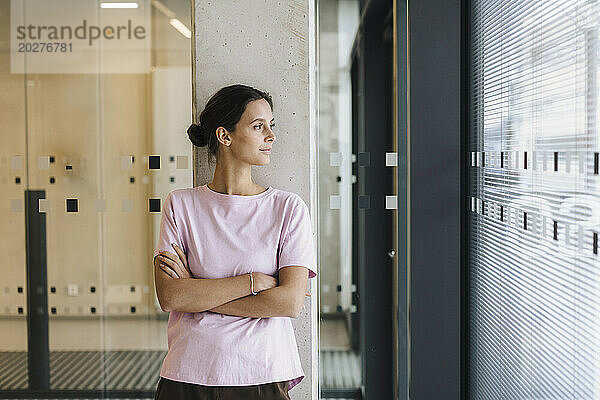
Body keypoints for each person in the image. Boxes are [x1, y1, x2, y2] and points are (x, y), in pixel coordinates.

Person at [152, 84, 318, 400]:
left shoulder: (287, 208)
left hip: (262, 374)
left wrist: (199, 294)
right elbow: (172, 296)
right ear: (225, 136)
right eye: (258, 126)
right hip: (187, 373)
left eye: (272, 126)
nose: (271, 135)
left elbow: (289, 303)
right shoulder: (181, 205)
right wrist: (254, 282)